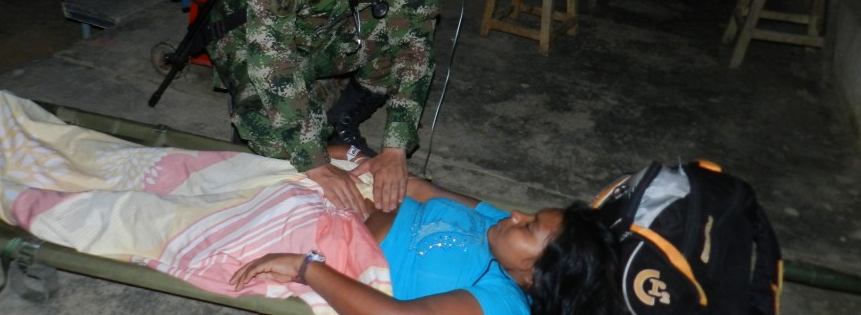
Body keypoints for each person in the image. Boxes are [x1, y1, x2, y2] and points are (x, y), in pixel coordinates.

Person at [205, 0, 441, 216]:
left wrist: (395, 147)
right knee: (271, 132)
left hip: (323, 33)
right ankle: (298, 125)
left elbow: (415, 46)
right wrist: (314, 160)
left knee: (400, 48)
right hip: (255, 43)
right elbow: (271, 52)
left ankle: (340, 117)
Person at [232, 150, 624, 315]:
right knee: (300, 157)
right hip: (353, 203)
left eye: (531, 227)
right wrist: (358, 162)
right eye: (531, 215)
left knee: (222, 209)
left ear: (535, 275)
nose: (517, 214)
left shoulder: (499, 301)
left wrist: (306, 268)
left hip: (324, 241)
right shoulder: (501, 228)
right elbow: (422, 190)